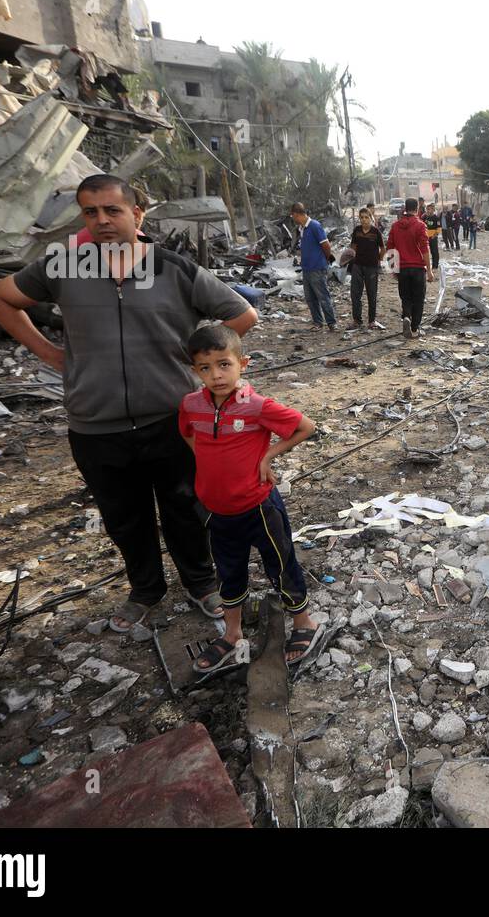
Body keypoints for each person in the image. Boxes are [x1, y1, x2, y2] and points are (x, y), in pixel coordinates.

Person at [0, 174, 257, 632]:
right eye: (91, 212)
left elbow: (242, 314)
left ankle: (202, 584)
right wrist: (50, 354)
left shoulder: (173, 269)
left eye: (112, 210)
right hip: (96, 424)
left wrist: (203, 366)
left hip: (172, 418)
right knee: (124, 519)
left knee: (186, 509)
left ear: (137, 213)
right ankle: (146, 590)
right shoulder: (63, 268)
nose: (102, 220)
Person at [179, 325, 324, 670]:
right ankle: (232, 634)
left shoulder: (257, 406)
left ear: (242, 363)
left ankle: (305, 624)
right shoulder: (190, 405)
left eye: (224, 364)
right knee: (229, 572)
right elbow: (188, 434)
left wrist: (267, 456)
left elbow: (306, 426)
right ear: (194, 371)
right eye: (205, 368)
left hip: (259, 506)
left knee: (280, 562)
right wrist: (211, 467)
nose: (216, 375)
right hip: (217, 510)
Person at [386, 198, 434, 339]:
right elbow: (425, 249)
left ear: (405, 208)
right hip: (418, 268)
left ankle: (406, 316)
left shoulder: (395, 226)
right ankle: (414, 328)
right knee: (418, 299)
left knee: (406, 297)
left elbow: (390, 248)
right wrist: (429, 271)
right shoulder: (420, 225)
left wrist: (393, 269)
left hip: (403, 269)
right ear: (417, 208)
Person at [291, 202, 336, 331]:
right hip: (307, 268)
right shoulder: (302, 228)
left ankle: (331, 322)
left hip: (317, 268)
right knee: (310, 298)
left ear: (297, 214)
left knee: (323, 296)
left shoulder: (315, 226)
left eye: (293, 216)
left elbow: (326, 245)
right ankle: (318, 322)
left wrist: (327, 259)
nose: (293, 218)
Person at [349, 207, 385, 329]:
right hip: (357, 266)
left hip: (371, 267)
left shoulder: (376, 232)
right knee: (355, 294)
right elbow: (353, 246)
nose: (364, 220)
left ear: (370, 218)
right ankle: (357, 321)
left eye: (366, 217)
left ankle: (372, 321)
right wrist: (351, 260)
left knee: (371, 294)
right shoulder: (357, 231)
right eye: (362, 218)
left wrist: (378, 260)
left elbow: (383, 248)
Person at [423, 203, 442, 269]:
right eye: (427, 209)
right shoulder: (425, 217)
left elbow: (439, 228)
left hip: (433, 237)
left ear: (433, 210)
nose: (428, 211)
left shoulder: (436, 218)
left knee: (434, 251)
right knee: (425, 252)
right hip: (425, 238)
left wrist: (435, 235)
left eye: (429, 209)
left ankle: (435, 265)